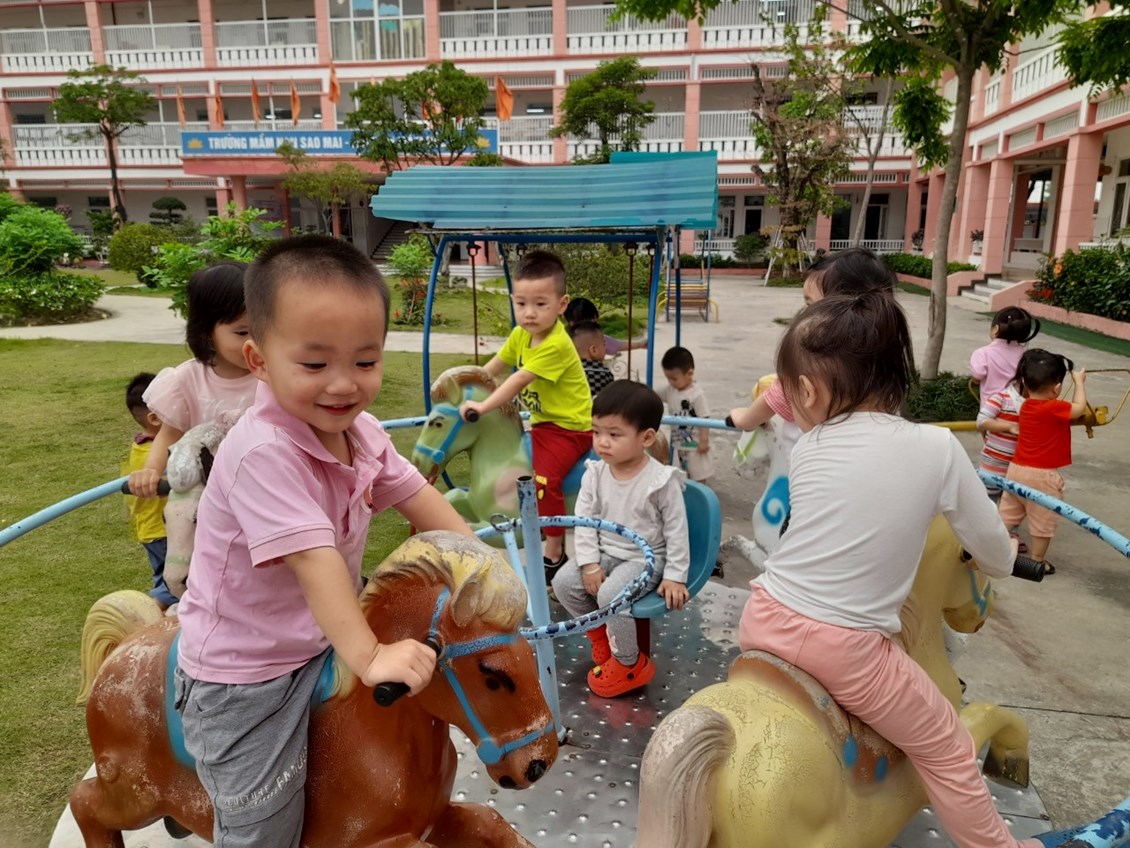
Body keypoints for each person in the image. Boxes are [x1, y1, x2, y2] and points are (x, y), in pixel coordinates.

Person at [173, 235, 473, 846]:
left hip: (321, 636)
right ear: (258, 359)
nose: (343, 385)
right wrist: (371, 657)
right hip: (247, 673)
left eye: (364, 362)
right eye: (315, 365)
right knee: (264, 827)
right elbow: (315, 560)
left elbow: (422, 501)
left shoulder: (362, 432)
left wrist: (480, 568)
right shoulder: (263, 452)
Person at [738, 291, 1041, 848]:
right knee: (948, 746)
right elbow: (996, 558)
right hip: (846, 650)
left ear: (807, 390)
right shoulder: (937, 448)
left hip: (761, 615)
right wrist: (1004, 550)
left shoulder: (809, 446)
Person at [551, 380, 689, 698]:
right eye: (597, 431)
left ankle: (629, 663)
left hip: (644, 559)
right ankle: (602, 635)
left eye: (614, 435)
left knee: (611, 594)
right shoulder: (595, 474)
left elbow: (676, 530)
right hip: (605, 552)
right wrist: (589, 564)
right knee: (563, 583)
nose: (602, 442)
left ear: (646, 438)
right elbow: (584, 522)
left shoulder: (660, 481)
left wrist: (675, 576)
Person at [459, 249, 592, 572]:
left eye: (540, 304)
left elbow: (518, 379)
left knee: (544, 479)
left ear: (561, 304)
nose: (529, 313)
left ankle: (555, 549)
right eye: (521, 304)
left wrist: (483, 406)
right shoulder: (521, 334)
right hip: (543, 423)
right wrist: (468, 387)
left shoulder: (556, 344)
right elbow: (495, 366)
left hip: (569, 428)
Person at [727, 246, 897, 431]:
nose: (805, 313)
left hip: (807, 447)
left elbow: (780, 394)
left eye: (810, 304)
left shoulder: (818, 360)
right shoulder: (886, 357)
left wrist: (743, 419)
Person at [128, 262, 257, 498]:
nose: (255, 343)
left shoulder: (277, 374)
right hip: (209, 496)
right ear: (206, 332)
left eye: (265, 329)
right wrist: (150, 470)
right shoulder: (187, 381)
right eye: (242, 332)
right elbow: (169, 435)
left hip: (265, 488)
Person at [997, 349, 1087, 575]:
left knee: (1007, 515)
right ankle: (1037, 560)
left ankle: (989, 547)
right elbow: (1079, 409)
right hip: (1042, 477)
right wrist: (1079, 383)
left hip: (1016, 470)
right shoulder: (1054, 408)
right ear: (1057, 388)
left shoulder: (1026, 406)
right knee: (1042, 521)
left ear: (1025, 383)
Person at [121, 372, 176, 610]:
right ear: (155, 419)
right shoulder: (153, 453)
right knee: (172, 585)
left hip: (153, 529)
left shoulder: (142, 445)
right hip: (162, 530)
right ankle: (146, 617)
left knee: (167, 580)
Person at [656, 346, 713, 484]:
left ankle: (701, 491)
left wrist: (704, 441)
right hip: (679, 443)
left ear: (689, 373)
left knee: (698, 473)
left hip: (695, 445)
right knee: (683, 470)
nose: (671, 382)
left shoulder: (696, 395)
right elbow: (653, 394)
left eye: (674, 378)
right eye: (668, 378)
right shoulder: (670, 390)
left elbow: (704, 418)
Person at [970, 306, 1040, 407]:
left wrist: (975, 379)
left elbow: (978, 375)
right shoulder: (1025, 355)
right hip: (1016, 408)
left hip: (990, 408)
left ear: (995, 329)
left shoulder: (983, 353)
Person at [976, 376, 1024, 503]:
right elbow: (981, 421)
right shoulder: (1001, 398)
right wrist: (1009, 427)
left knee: (1010, 504)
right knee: (988, 502)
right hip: (993, 464)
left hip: (1016, 468)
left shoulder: (1033, 403)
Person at [564, 296, 646, 356]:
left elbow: (617, 345)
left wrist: (640, 344)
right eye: (592, 323)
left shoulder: (596, 337)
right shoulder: (563, 340)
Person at [569, 319, 615, 398]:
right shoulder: (604, 373)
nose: (605, 348)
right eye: (604, 345)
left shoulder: (568, 371)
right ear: (593, 350)